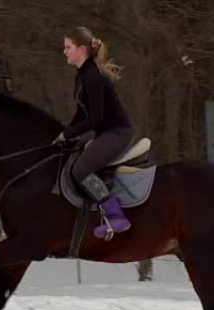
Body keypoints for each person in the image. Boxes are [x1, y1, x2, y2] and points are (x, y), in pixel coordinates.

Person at [55, 26, 132, 239]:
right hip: (106, 133)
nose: (64, 52)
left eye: (68, 47)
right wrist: (65, 133)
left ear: (81, 49)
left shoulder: (92, 77)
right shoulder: (82, 76)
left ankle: (115, 215)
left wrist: (68, 135)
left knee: (80, 170)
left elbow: (95, 118)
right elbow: (82, 114)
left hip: (117, 133)